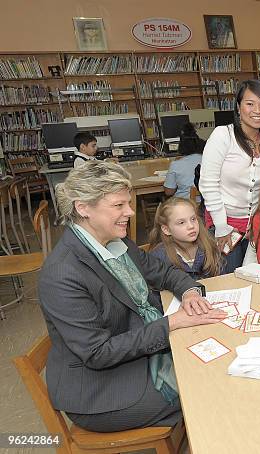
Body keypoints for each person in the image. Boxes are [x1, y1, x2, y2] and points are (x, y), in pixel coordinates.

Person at [38, 160, 226, 433]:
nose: (130, 212)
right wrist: (171, 323)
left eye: (128, 203)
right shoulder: (62, 274)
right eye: (119, 205)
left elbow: (162, 272)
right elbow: (98, 353)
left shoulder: (115, 240)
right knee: (207, 385)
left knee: (217, 361)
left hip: (136, 349)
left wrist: (189, 291)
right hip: (103, 389)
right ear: (83, 208)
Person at [199, 80, 260, 273]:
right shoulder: (223, 136)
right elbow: (208, 184)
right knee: (228, 282)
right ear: (238, 107)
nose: (257, 110)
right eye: (250, 103)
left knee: (259, 280)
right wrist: (221, 226)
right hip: (224, 226)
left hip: (258, 228)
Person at [149, 197, 222, 280]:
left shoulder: (209, 245)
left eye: (193, 219)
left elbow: (221, 278)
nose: (191, 226)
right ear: (167, 230)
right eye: (181, 222)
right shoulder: (159, 258)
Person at [164, 122, 205, 199]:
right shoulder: (208, 160)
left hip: (184, 204)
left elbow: (169, 192)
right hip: (207, 203)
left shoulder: (176, 164)